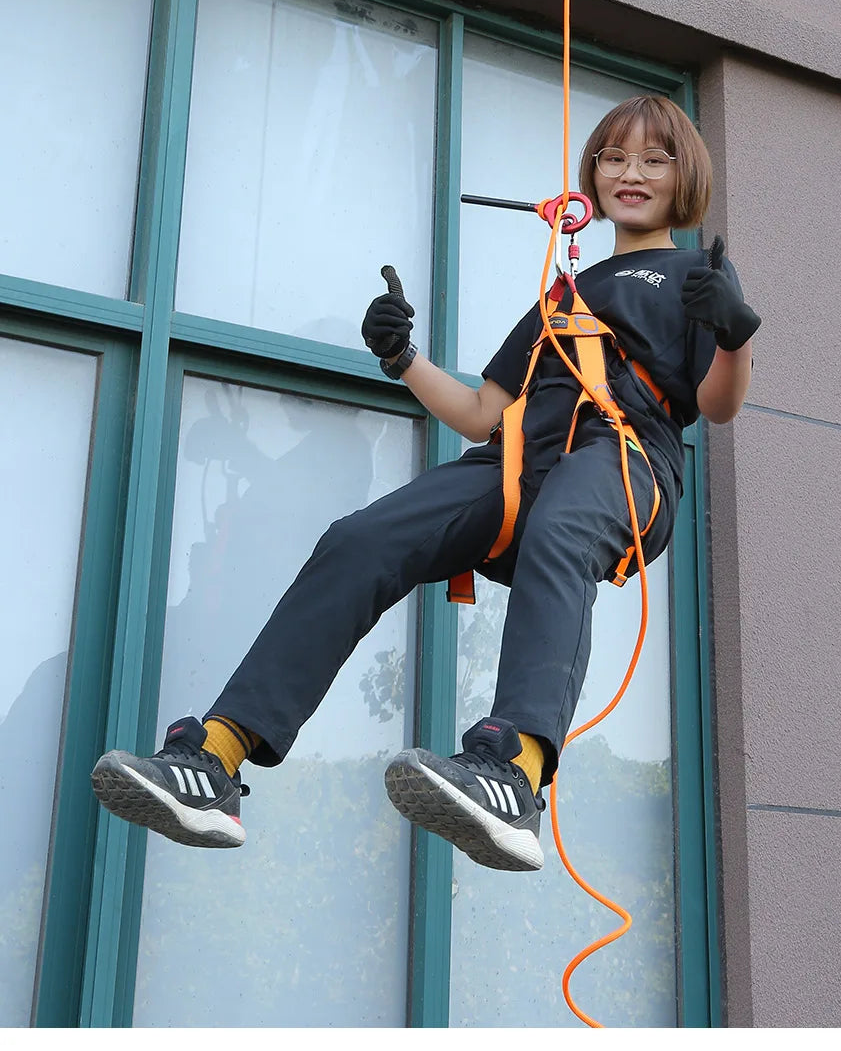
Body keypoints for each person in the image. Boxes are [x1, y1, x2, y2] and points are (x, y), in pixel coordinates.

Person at [91, 95, 760, 873]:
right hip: (521, 461)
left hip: (623, 457)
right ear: (592, 176)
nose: (630, 172)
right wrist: (402, 357)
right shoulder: (560, 297)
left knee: (565, 524)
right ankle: (218, 756)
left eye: (653, 159)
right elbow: (482, 414)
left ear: (686, 176)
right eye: (613, 157)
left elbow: (717, 405)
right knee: (361, 539)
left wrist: (734, 333)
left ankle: (515, 774)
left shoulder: (697, 275)